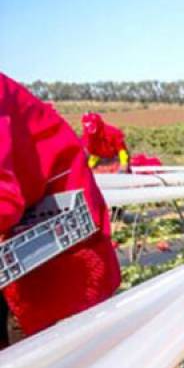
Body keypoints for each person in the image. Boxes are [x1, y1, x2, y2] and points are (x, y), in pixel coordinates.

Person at [0, 73, 121, 346]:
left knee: (61, 355)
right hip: (26, 220)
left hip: (58, 226)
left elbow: (4, 197)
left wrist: (121, 164)